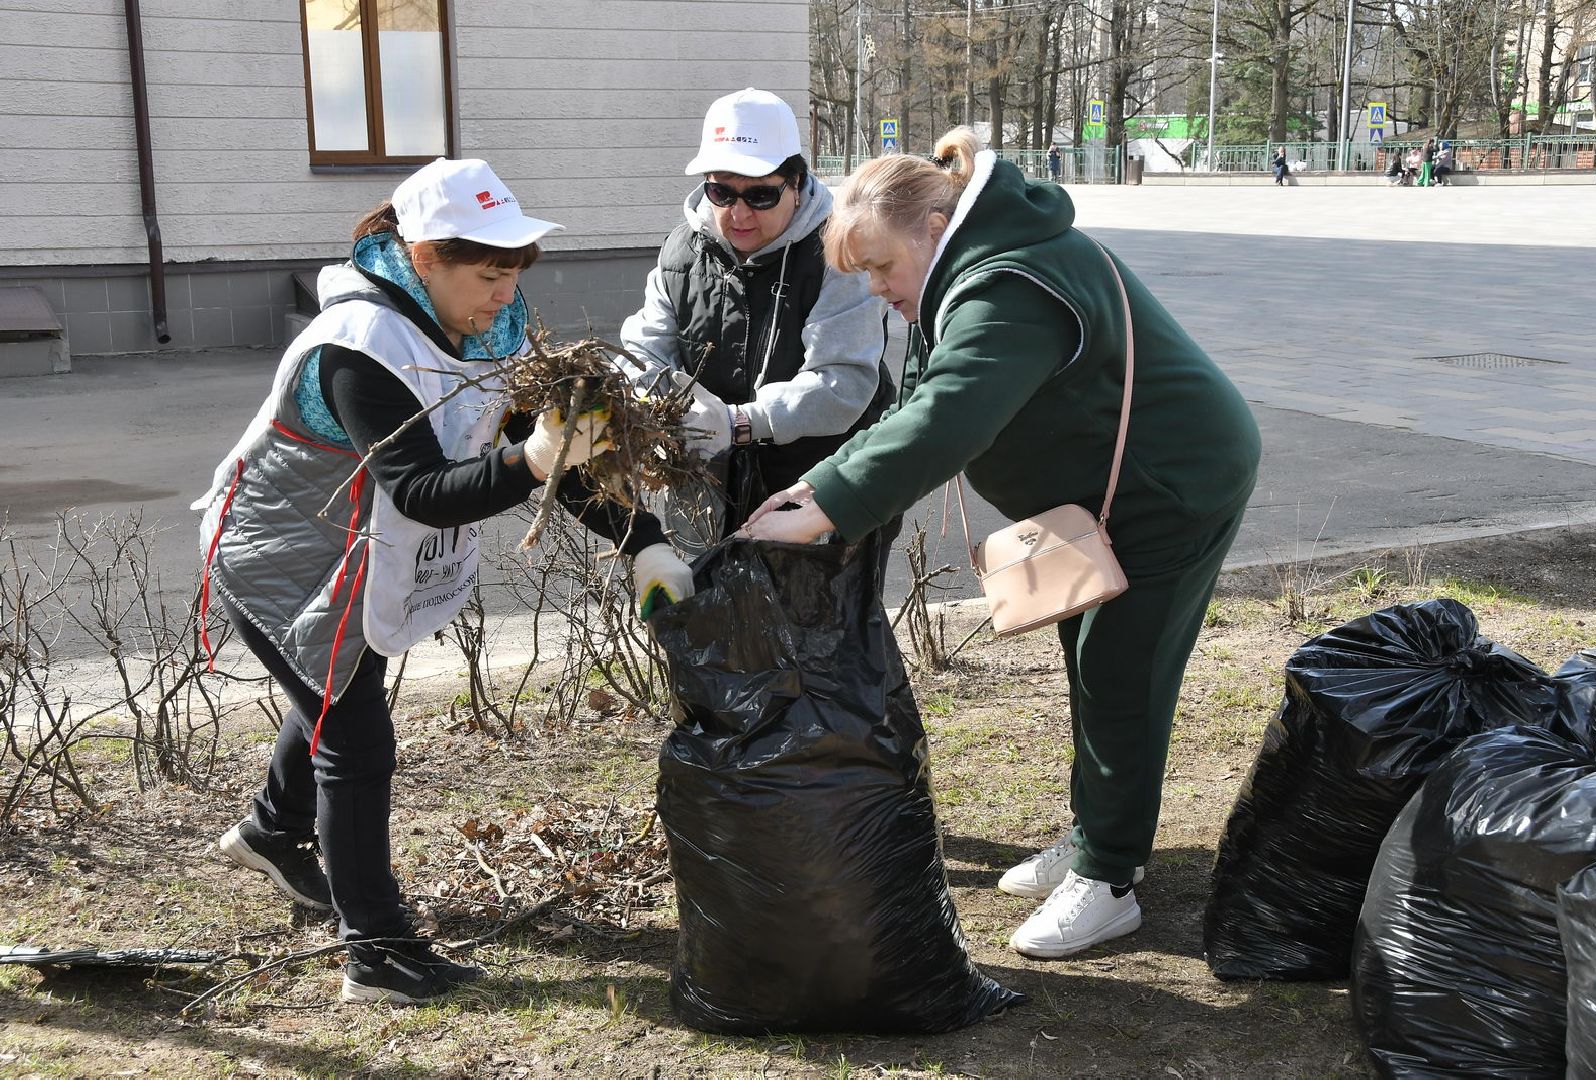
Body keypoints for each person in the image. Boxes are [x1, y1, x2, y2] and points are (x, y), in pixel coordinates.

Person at [743, 129, 1260, 960]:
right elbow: (915, 403)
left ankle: (1108, 877)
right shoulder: (965, 269)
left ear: (933, 225)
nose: (875, 288)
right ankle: (1097, 833)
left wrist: (834, 504)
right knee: (1089, 657)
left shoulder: (1006, 284)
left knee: (1119, 674)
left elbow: (951, 413)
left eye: (880, 266)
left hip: (1166, 490)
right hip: (1098, 500)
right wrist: (819, 485)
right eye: (863, 273)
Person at [194, 157, 692, 1005]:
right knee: (353, 738)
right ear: (423, 258)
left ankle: (272, 832)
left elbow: (558, 455)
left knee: (332, 695)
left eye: (514, 272)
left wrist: (642, 541)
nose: (504, 293)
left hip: (358, 555)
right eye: (487, 274)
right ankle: (377, 953)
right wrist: (533, 456)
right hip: (280, 560)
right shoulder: (358, 347)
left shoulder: (489, 327)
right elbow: (423, 490)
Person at [618, 88, 892, 559]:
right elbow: (643, 351)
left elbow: (843, 383)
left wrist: (738, 422)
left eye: (761, 195)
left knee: (814, 608)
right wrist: (655, 406)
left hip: (814, 496)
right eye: (721, 192)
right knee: (699, 601)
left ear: (796, 182)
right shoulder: (682, 251)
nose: (739, 213)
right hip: (704, 494)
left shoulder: (840, 253)